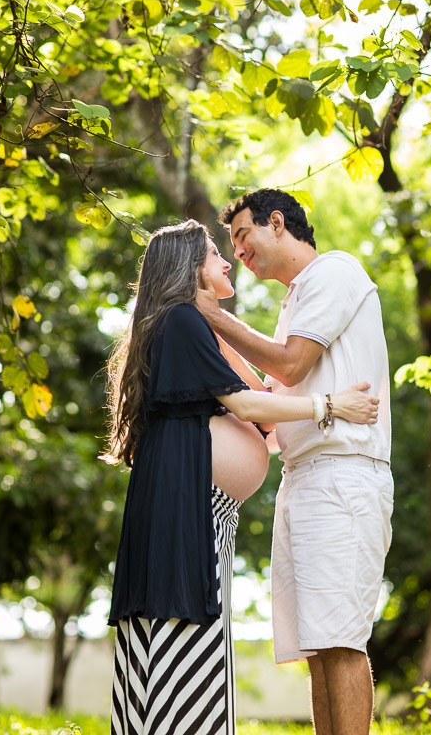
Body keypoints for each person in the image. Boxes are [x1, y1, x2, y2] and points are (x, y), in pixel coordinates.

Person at [103, 218, 380, 735]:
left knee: (182, 619)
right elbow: (245, 403)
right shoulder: (181, 322)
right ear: (190, 267)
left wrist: (220, 325)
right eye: (214, 253)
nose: (227, 260)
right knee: (181, 619)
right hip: (189, 498)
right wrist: (331, 405)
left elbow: (263, 406)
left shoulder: (186, 323)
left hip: (197, 500)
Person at [196, 190, 393, 735]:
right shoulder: (295, 301)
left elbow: (290, 363)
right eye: (231, 246)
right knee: (317, 644)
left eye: (241, 237)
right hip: (303, 479)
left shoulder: (335, 272)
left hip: (344, 475)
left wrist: (213, 315)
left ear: (276, 223)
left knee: (341, 640)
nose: (238, 254)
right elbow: (272, 396)